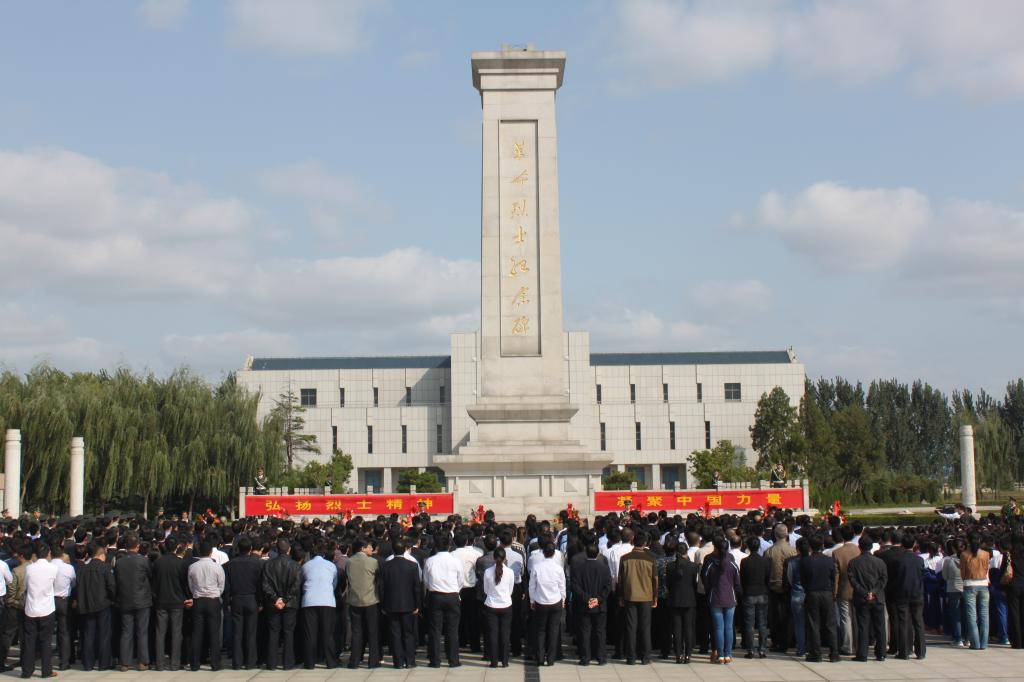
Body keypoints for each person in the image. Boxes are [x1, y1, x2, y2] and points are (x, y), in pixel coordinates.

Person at [423, 535, 464, 668]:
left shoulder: (430, 561)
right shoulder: (455, 561)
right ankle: (453, 660)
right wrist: (455, 590)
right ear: (449, 546)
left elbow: (426, 582)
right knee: (452, 630)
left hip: (436, 596)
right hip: (452, 596)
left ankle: (435, 661)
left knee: (435, 630)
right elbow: (460, 580)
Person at [223, 536, 263, 670]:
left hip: (236, 599)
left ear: (238, 549)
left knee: (237, 632)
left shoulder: (230, 564)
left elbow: (226, 586)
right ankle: (250, 661)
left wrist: (227, 601)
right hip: (252, 599)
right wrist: (260, 601)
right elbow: (259, 585)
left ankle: (237, 662)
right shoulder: (257, 563)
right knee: (251, 633)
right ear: (250, 549)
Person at [114, 532, 152, 672]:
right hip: (142, 599)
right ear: (137, 546)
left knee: (126, 631)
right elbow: (150, 576)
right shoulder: (143, 561)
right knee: (142, 631)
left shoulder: (119, 562)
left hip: (124, 599)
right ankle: (143, 662)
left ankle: (125, 662)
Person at [262, 540, 301, 670]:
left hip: (274, 603)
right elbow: (296, 586)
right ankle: (288, 663)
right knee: (288, 633)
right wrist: (284, 599)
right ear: (289, 549)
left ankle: (272, 663)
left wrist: (276, 599)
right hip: (289, 603)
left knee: (273, 632)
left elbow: (265, 585)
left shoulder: (268, 564)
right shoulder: (295, 565)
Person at [75, 543, 115, 671]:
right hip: (103, 604)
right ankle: (104, 663)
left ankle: (88, 663)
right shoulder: (105, 568)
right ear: (101, 555)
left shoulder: (83, 569)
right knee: (104, 634)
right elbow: (111, 586)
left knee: (88, 634)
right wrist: (111, 598)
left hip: (87, 605)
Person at [152, 536, 189, 671]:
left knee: (160, 633)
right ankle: (174, 663)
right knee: (176, 633)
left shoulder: (157, 563)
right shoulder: (180, 563)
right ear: (177, 547)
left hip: (161, 601)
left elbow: (154, 583)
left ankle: (159, 663)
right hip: (177, 601)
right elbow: (185, 584)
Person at [188, 539, 226, 672]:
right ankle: (215, 663)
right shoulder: (217, 567)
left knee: (197, 633)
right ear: (211, 552)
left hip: (198, 600)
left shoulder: (193, 567)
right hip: (213, 600)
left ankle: (194, 663)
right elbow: (221, 586)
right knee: (214, 633)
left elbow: (191, 586)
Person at [570, 543, 611, 666]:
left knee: (585, 631)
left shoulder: (578, 568)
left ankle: (585, 658)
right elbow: (607, 587)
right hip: (599, 605)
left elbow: (575, 586)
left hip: (584, 605)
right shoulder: (604, 568)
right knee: (599, 631)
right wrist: (598, 599)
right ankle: (600, 657)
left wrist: (587, 599)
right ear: (598, 554)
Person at [299, 543, 339, 670]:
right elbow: (334, 583)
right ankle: (331, 662)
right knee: (328, 633)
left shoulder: (305, 566)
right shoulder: (331, 565)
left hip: (309, 601)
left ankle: (309, 663)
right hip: (327, 601)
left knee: (310, 633)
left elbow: (302, 581)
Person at [380, 538, 419, 669]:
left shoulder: (386, 566)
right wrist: (417, 605)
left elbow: (382, 588)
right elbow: (416, 588)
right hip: (409, 604)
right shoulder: (412, 565)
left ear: (393, 550)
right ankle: (410, 661)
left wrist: (383, 604)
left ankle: (398, 662)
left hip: (391, 604)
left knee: (395, 633)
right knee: (408, 633)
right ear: (405, 549)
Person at [848, 535, 887, 661]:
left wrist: (865, 592)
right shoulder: (879, 562)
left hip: (861, 598)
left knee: (863, 626)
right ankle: (881, 653)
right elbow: (883, 579)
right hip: (877, 598)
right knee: (880, 626)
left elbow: (853, 581)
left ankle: (862, 654)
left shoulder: (854, 562)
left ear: (859, 547)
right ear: (871, 547)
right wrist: (873, 592)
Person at [800, 534, 839, 663]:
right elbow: (833, 578)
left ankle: (816, 654)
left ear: (810, 547)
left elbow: (803, 579)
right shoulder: (829, 560)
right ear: (822, 546)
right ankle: (834, 653)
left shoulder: (805, 561)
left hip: (812, 593)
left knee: (813, 624)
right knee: (830, 624)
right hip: (827, 593)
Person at [702, 536, 740, 664]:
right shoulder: (732, 563)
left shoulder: (711, 563)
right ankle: (728, 654)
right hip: (730, 597)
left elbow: (705, 579)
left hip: (715, 597)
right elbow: (737, 581)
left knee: (718, 628)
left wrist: (710, 589)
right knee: (729, 627)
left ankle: (721, 654)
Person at [528, 542, 565, 667]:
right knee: (553, 631)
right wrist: (563, 600)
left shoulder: (537, 567)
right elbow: (562, 586)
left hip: (540, 602)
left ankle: (539, 657)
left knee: (540, 631)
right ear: (554, 553)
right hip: (555, 602)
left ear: (543, 552)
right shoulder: (558, 568)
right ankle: (550, 658)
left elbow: (532, 586)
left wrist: (532, 601)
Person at [347, 539, 382, 669]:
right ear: (362, 548)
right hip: (370, 599)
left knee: (356, 631)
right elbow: (378, 579)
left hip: (354, 600)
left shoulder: (349, 561)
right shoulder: (373, 562)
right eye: (369, 547)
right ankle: (373, 661)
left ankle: (354, 661)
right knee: (372, 631)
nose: (371, 549)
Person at [482, 547, 517, 668]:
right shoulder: (510, 572)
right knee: (505, 634)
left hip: (491, 605)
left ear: (494, 557)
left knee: (493, 634)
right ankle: (505, 661)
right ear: (505, 558)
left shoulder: (487, 572)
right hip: (506, 605)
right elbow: (510, 590)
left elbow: (486, 590)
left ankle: (494, 661)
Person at [764, 523, 796, 653]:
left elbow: (766, 570)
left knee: (775, 616)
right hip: (789, 587)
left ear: (775, 534)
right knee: (788, 615)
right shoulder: (792, 550)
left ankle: (776, 641)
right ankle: (789, 640)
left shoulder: (769, 551)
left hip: (773, 587)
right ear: (786, 534)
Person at [665, 541, 698, 664]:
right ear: (686, 552)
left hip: (675, 599)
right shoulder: (693, 566)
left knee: (677, 629)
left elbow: (668, 583)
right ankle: (688, 654)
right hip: (689, 599)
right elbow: (694, 584)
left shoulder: (670, 566)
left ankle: (678, 654)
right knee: (688, 628)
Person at [739, 535, 769, 659]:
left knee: (749, 623)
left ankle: (750, 649)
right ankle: (762, 649)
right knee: (762, 623)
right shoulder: (766, 561)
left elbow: (743, 579)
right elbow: (768, 577)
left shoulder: (745, 561)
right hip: (762, 592)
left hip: (749, 593)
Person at [832, 524, 859, 656]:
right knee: (857, 617)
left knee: (845, 618)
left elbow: (836, 575)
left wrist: (834, 591)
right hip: (859, 589)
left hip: (843, 589)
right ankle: (858, 644)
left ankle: (847, 645)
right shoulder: (859, 550)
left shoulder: (837, 553)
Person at [960, 534, 991, 650]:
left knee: (971, 615)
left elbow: (962, 572)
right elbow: (987, 568)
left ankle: (975, 643)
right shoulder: (986, 554)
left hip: (969, 584)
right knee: (984, 615)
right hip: (983, 583)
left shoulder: (964, 555)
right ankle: (984, 643)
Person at [49, 542, 76, 671]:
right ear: (62, 555)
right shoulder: (68, 568)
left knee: (47, 632)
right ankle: (64, 661)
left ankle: (46, 660)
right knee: (64, 631)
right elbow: (74, 582)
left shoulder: (48, 566)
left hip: (49, 600)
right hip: (64, 600)